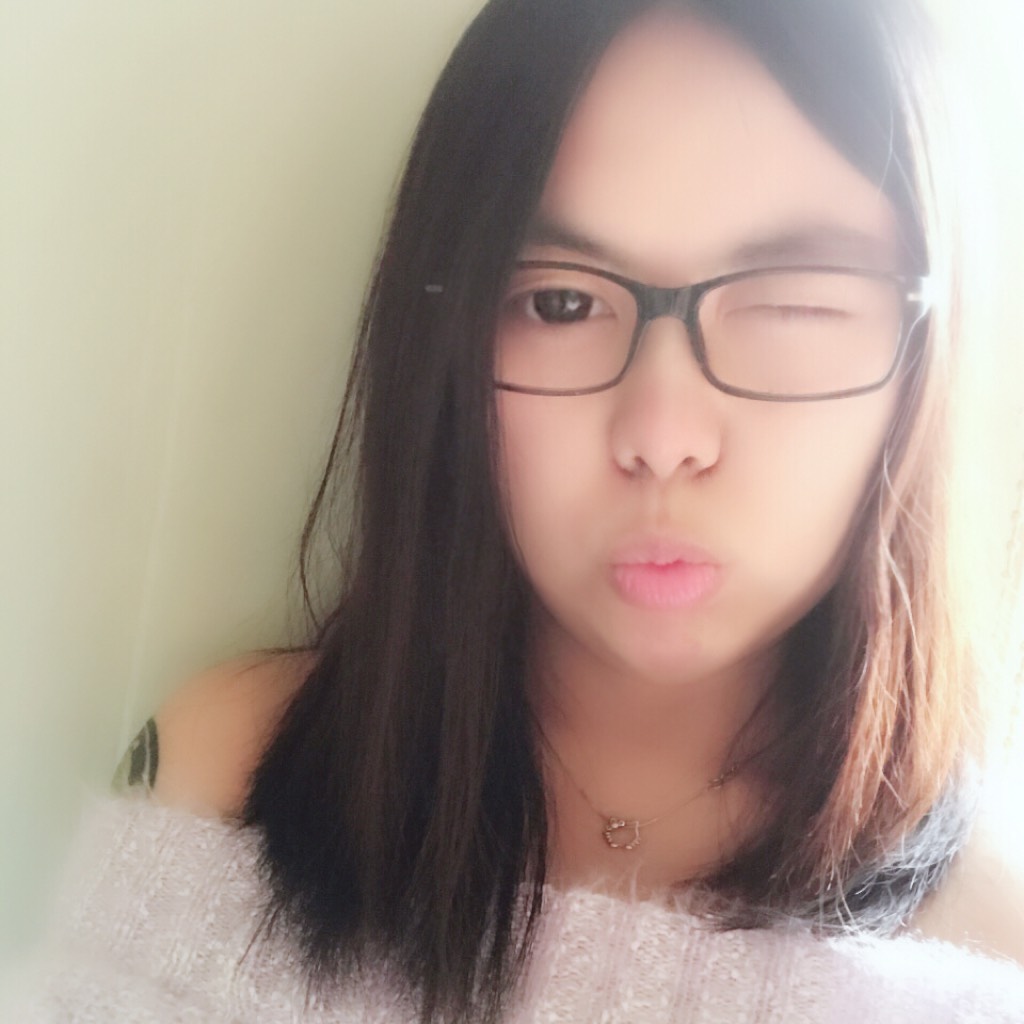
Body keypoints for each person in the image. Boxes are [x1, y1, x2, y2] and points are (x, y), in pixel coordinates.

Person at [11, 0, 1024, 1020]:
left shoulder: (992, 953)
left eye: (791, 303)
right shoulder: (222, 789)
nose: (662, 433)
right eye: (559, 303)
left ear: (928, 359)